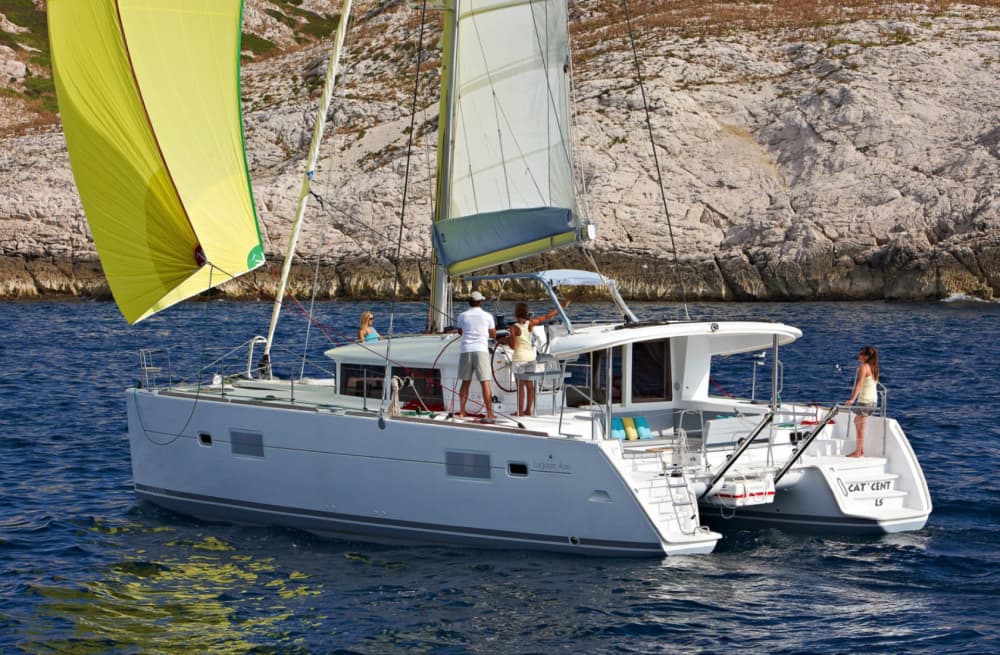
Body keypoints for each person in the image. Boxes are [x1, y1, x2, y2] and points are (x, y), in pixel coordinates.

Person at [509, 300, 569, 416]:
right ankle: (528, 410)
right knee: (530, 385)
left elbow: (513, 346)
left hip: (519, 359)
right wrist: (561, 306)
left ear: (516, 313)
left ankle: (520, 411)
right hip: (531, 358)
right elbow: (547, 316)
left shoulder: (513, 327)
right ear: (526, 312)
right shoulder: (531, 323)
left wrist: (505, 340)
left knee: (520, 386)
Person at [457, 291, 497, 421]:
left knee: (465, 382)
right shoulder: (487, 316)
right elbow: (493, 334)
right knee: (485, 382)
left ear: (469, 302)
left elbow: (460, 331)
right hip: (481, 350)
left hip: (466, 350)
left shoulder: (462, 316)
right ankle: (489, 413)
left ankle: (462, 412)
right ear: (481, 302)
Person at [844, 345, 879, 457]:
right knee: (857, 421)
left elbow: (859, 384)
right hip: (873, 402)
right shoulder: (874, 367)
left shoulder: (864, 367)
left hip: (865, 402)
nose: (859, 355)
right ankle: (860, 449)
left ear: (866, 356)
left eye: (861, 353)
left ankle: (858, 452)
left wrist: (852, 399)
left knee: (860, 428)